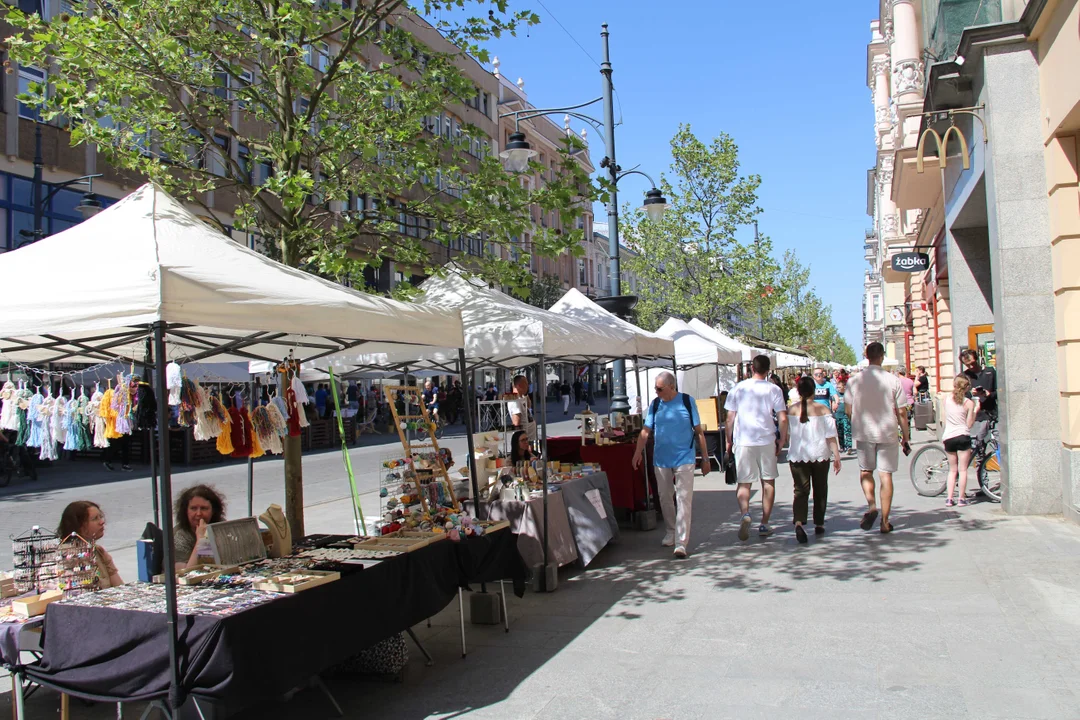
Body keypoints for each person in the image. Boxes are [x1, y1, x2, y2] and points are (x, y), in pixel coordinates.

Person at [632, 372, 709, 559]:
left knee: (683, 498)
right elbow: (645, 431)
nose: (656, 392)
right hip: (661, 458)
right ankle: (671, 530)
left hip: (685, 457)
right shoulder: (656, 404)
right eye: (655, 389)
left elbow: (699, 432)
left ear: (672, 387)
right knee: (664, 496)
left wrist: (705, 459)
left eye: (659, 389)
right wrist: (637, 453)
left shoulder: (686, 401)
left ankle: (681, 542)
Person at [844, 342, 910, 534]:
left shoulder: (854, 381)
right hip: (887, 431)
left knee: (866, 471)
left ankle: (872, 505)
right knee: (886, 475)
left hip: (864, 432)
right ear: (881, 356)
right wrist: (905, 437)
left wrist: (857, 419)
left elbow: (848, 410)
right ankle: (885, 521)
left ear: (866, 356)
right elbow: (903, 413)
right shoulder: (893, 380)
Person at [725, 355, 789, 541]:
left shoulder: (738, 388)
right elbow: (783, 418)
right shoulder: (774, 389)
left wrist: (729, 440)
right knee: (768, 482)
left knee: (744, 482)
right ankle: (765, 523)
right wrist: (782, 439)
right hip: (766, 439)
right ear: (768, 370)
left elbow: (730, 418)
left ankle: (745, 513)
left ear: (751, 368)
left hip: (744, 440)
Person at [786, 377, 843, 543]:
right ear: (814, 391)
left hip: (798, 455)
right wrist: (837, 456)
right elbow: (831, 436)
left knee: (800, 490)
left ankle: (798, 521)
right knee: (820, 489)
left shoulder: (791, 410)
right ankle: (819, 522)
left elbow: (788, 433)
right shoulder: (823, 409)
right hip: (820, 454)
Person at [56, 500, 123, 588]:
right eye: (95, 519)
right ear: (79, 526)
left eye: (100, 517)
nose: (102, 522)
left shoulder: (99, 551)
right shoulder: (67, 555)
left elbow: (119, 587)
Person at [942, 374, 979, 507]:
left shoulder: (946, 399)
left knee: (952, 470)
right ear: (967, 387)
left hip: (949, 437)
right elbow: (969, 424)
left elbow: (945, 418)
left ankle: (949, 498)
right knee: (962, 470)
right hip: (962, 436)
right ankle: (961, 499)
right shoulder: (968, 403)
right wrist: (976, 410)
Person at [174, 484, 227, 570]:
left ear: (213, 511)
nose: (199, 513)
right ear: (185, 511)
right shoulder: (179, 536)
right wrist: (201, 540)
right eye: (193, 508)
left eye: (204, 508)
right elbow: (186, 573)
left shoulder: (219, 526)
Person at [960, 349, 997, 448]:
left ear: (977, 359)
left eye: (973, 363)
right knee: (977, 446)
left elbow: (1000, 392)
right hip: (975, 416)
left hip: (991, 414)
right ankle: (979, 462)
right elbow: (960, 397)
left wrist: (989, 394)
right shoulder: (964, 377)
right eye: (967, 365)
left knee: (997, 444)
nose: (971, 367)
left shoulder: (990, 372)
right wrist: (970, 394)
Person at [507, 375, 535, 443]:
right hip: (525, 440)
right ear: (519, 386)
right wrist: (523, 441)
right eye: (526, 383)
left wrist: (526, 395)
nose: (528, 386)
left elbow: (529, 406)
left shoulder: (521, 397)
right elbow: (516, 423)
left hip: (529, 438)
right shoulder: (515, 401)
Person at [834, 379, 853, 454]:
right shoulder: (836, 395)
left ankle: (849, 447)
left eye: (839, 387)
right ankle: (842, 446)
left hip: (846, 415)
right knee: (840, 432)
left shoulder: (848, 394)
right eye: (837, 387)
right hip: (838, 415)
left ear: (844, 387)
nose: (838, 388)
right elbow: (832, 402)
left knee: (847, 431)